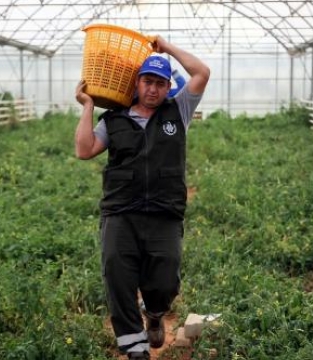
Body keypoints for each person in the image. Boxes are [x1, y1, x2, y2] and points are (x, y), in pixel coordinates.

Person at [75, 35, 210, 360]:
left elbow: (201, 73)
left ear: (167, 89)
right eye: (148, 81)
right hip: (120, 213)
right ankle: (136, 350)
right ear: (137, 84)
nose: (153, 89)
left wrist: (168, 49)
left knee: (165, 281)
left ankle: (154, 312)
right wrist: (88, 107)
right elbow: (84, 149)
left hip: (164, 214)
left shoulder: (178, 112)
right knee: (118, 280)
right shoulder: (115, 120)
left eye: (160, 83)